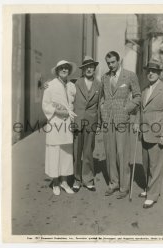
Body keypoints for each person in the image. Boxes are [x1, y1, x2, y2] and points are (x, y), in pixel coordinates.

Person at [101, 51, 141, 199]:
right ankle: (113, 183)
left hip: (123, 120)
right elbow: (103, 97)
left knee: (122, 153)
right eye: (108, 63)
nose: (110, 65)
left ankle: (124, 186)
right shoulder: (104, 77)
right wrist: (102, 109)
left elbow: (138, 97)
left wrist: (126, 109)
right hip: (108, 120)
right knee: (110, 153)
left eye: (112, 62)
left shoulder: (129, 75)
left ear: (119, 61)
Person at [138, 59, 163, 208]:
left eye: (154, 71)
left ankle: (153, 195)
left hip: (158, 133)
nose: (151, 73)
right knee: (147, 164)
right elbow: (142, 110)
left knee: (156, 166)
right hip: (145, 132)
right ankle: (149, 189)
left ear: (159, 73)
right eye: (149, 71)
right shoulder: (145, 90)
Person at [42, 60, 77, 196]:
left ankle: (64, 181)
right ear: (57, 71)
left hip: (67, 124)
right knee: (54, 152)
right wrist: (57, 111)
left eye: (66, 68)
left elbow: (73, 101)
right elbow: (45, 104)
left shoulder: (71, 86)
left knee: (66, 153)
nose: (64, 70)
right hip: (55, 123)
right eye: (61, 68)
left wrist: (70, 112)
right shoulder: (50, 86)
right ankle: (55, 182)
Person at [72, 56, 102, 192]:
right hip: (78, 121)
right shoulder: (76, 83)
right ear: (83, 69)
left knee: (88, 152)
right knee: (77, 152)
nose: (89, 69)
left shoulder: (99, 84)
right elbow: (60, 85)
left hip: (91, 122)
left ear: (94, 69)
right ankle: (77, 179)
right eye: (86, 67)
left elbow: (100, 105)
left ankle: (88, 179)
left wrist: (99, 122)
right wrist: (47, 85)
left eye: (91, 66)